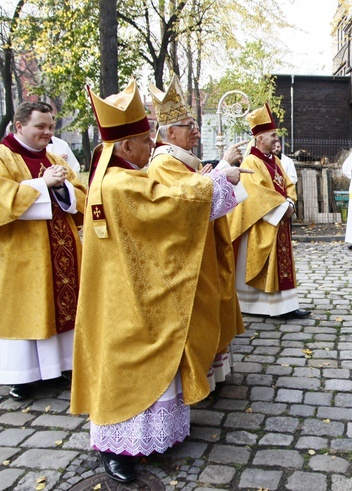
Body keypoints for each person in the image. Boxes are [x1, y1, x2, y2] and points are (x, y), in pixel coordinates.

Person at [71, 80, 244, 483]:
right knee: (128, 358)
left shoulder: (117, 176)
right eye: (145, 140)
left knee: (149, 354)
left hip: (134, 283)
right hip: (125, 294)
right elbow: (169, 208)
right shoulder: (118, 183)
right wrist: (220, 177)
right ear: (126, 146)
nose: (152, 146)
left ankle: (154, 436)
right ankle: (116, 446)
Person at [148, 75, 247, 390]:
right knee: (199, 311)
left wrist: (216, 172)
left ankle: (212, 370)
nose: (195, 129)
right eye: (188, 125)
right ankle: (194, 377)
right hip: (185, 257)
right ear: (171, 132)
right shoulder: (164, 162)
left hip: (204, 247)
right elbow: (182, 202)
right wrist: (221, 170)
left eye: (195, 123)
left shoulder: (183, 160)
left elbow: (196, 189)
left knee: (213, 303)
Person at [0, 101, 86, 401]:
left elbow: (81, 196)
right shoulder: (3, 156)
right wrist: (41, 184)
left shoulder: (51, 157)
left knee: (59, 304)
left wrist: (62, 189)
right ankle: (22, 376)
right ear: (19, 125)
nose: (48, 132)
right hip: (22, 253)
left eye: (51, 126)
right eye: (41, 126)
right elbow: (2, 198)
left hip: (61, 249)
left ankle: (57, 368)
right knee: (28, 306)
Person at [228, 103, 311, 319]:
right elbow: (254, 192)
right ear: (259, 138)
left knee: (282, 263)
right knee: (265, 264)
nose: (276, 139)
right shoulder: (250, 161)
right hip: (262, 222)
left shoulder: (274, 160)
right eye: (272, 135)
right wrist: (282, 208)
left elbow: (288, 184)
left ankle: (286, 305)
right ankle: (259, 306)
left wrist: (291, 203)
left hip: (280, 219)